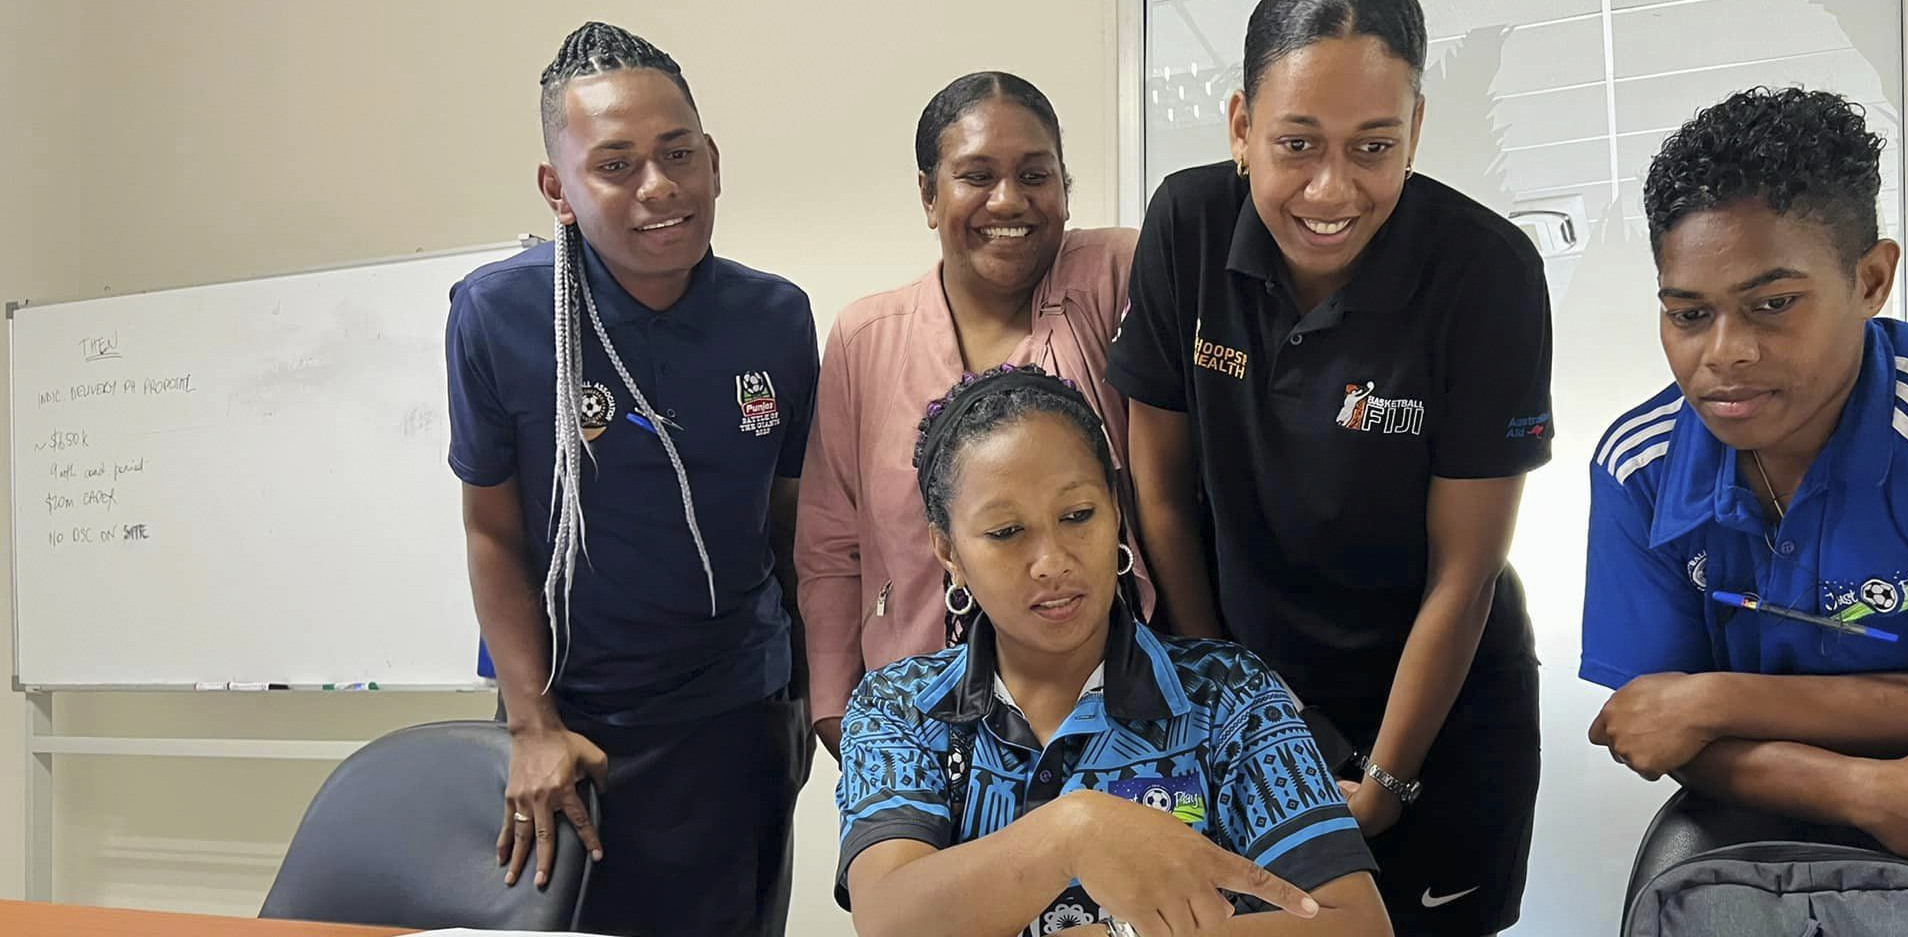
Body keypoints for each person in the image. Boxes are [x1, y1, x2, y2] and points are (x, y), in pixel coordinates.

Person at [1107, 0, 1551, 933]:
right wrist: (1231, 713)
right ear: (1241, 126)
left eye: (1374, 147)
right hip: (1251, 693)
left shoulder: (1487, 273)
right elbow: (1161, 496)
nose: (1332, 190)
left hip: (1438, 715)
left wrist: (1386, 779)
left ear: (1418, 128)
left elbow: (1463, 572)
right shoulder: (1186, 226)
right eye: (1297, 145)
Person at [1581, 85, 1908, 927]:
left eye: (1773, 304)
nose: (1725, 354)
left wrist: (1711, 699)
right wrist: (1864, 790)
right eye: (1689, 314)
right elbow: (1658, 734)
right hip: (1769, 773)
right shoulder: (1637, 466)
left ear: (1871, 280)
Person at [443, 21, 814, 936]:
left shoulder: (775, 317)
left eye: (677, 153)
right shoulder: (500, 316)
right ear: (557, 189)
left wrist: (803, 696)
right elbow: (493, 534)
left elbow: (791, 526)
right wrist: (531, 724)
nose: (660, 188)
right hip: (569, 724)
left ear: (713, 160)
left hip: (736, 713)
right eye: (615, 164)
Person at [835, 364, 1391, 937]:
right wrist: (1071, 834)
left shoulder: (1230, 694)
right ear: (947, 549)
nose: (1052, 561)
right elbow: (888, 918)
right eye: (1006, 532)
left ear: (1116, 512)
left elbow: (1356, 926)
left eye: (1078, 516)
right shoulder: (898, 706)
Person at [798, 71, 1150, 760]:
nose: (1008, 200)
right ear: (929, 194)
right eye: (977, 175)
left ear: (1066, 188)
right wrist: (841, 715)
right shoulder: (866, 338)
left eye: (1035, 174)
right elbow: (829, 547)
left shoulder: (1112, 282)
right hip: (918, 726)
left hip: (1109, 720)